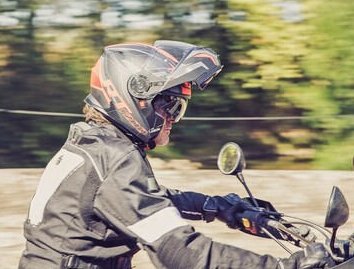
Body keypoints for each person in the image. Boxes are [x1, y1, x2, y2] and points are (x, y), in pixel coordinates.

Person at [19, 40, 335, 268]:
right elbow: (179, 252)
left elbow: (146, 201)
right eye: (169, 106)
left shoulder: (95, 145)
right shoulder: (116, 158)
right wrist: (281, 267)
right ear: (135, 98)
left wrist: (221, 207)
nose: (174, 117)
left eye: (179, 108)